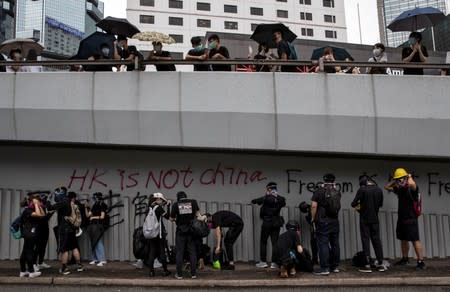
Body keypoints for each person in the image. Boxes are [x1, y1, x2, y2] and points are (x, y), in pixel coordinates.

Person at [385, 168, 426, 269]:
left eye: (400, 179)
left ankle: (421, 261)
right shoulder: (400, 189)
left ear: (405, 178)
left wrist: (409, 177)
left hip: (411, 218)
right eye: (397, 179)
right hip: (402, 218)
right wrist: (395, 180)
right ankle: (405, 258)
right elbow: (387, 187)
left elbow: (412, 184)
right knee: (403, 239)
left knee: (415, 240)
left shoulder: (412, 189)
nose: (399, 181)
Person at [351, 175, 386, 272]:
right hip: (375, 219)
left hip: (364, 219)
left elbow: (353, 203)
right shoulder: (379, 190)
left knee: (365, 240)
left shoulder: (362, 190)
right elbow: (380, 204)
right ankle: (380, 263)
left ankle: (367, 265)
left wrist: (360, 206)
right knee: (376, 240)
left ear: (363, 184)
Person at [47, 187, 84, 275]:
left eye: (57, 193)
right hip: (72, 228)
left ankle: (65, 269)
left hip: (64, 229)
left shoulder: (63, 202)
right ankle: (79, 266)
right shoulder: (70, 202)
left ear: (61, 194)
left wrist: (48, 199)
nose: (56, 195)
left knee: (64, 249)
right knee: (74, 246)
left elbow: (49, 208)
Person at [311, 173, 341, 275]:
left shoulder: (319, 191)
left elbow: (314, 206)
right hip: (335, 221)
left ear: (324, 180)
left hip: (323, 221)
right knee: (335, 244)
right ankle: (335, 266)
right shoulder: (337, 191)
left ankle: (324, 268)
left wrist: (313, 217)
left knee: (323, 244)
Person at [252, 181, 286, 269]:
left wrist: (266, 196)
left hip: (267, 222)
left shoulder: (266, 198)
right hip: (276, 222)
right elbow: (282, 203)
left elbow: (255, 201)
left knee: (263, 241)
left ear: (269, 189)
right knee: (275, 242)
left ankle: (263, 262)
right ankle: (274, 263)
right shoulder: (281, 199)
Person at [169, 191, 200, 279]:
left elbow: (171, 219)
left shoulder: (176, 205)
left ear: (178, 198)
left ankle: (179, 275)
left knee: (180, 252)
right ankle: (193, 274)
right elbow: (198, 215)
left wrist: (178, 219)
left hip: (180, 232)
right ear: (186, 196)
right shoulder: (193, 202)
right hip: (191, 231)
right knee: (192, 252)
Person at [19, 194, 44, 278]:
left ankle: (22, 271)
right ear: (32, 202)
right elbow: (38, 214)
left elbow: (42, 215)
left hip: (29, 233)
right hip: (30, 233)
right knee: (29, 252)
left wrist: (38, 205)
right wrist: (36, 204)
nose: (39, 203)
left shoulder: (30, 209)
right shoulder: (28, 210)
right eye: (37, 201)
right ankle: (31, 272)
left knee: (25, 252)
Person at [147, 192, 172, 277]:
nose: (162, 202)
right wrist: (168, 206)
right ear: (158, 199)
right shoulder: (159, 208)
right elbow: (168, 217)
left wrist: (164, 205)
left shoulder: (149, 207)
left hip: (151, 232)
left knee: (152, 251)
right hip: (159, 233)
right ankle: (165, 271)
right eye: (162, 200)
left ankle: (151, 272)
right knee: (162, 251)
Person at [86, 192, 108, 267]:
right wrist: (86, 207)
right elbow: (88, 215)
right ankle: (95, 258)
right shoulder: (95, 205)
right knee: (93, 242)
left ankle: (102, 259)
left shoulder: (103, 205)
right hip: (93, 225)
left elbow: (102, 217)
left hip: (99, 225)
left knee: (98, 241)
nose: (94, 199)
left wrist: (93, 217)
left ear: (98, 197)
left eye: (95, 197)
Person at [33, 193, 54, 272]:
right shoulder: (36, 208)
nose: (43, 202)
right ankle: (34, 264)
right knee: (37, 247)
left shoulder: (44, 207)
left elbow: (45, 218)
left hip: (45, 229)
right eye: (42, 200)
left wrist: (50, 213)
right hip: (38, 229)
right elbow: (41, 217)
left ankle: (40, 262)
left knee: (43, 247)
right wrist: (48, 214)